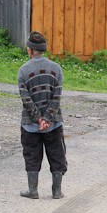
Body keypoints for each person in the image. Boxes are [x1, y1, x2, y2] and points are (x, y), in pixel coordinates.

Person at [17, 31, 67, 199]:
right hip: (53, 124)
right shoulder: (56, 69)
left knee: (31, 155)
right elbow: (56, 97)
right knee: (56, 154)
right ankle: (57, 191)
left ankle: (33, 190)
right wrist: (47, 119)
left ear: (30, 50)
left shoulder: (23, 71)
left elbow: (26, 99)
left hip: (30, 125)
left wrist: (38, 118)